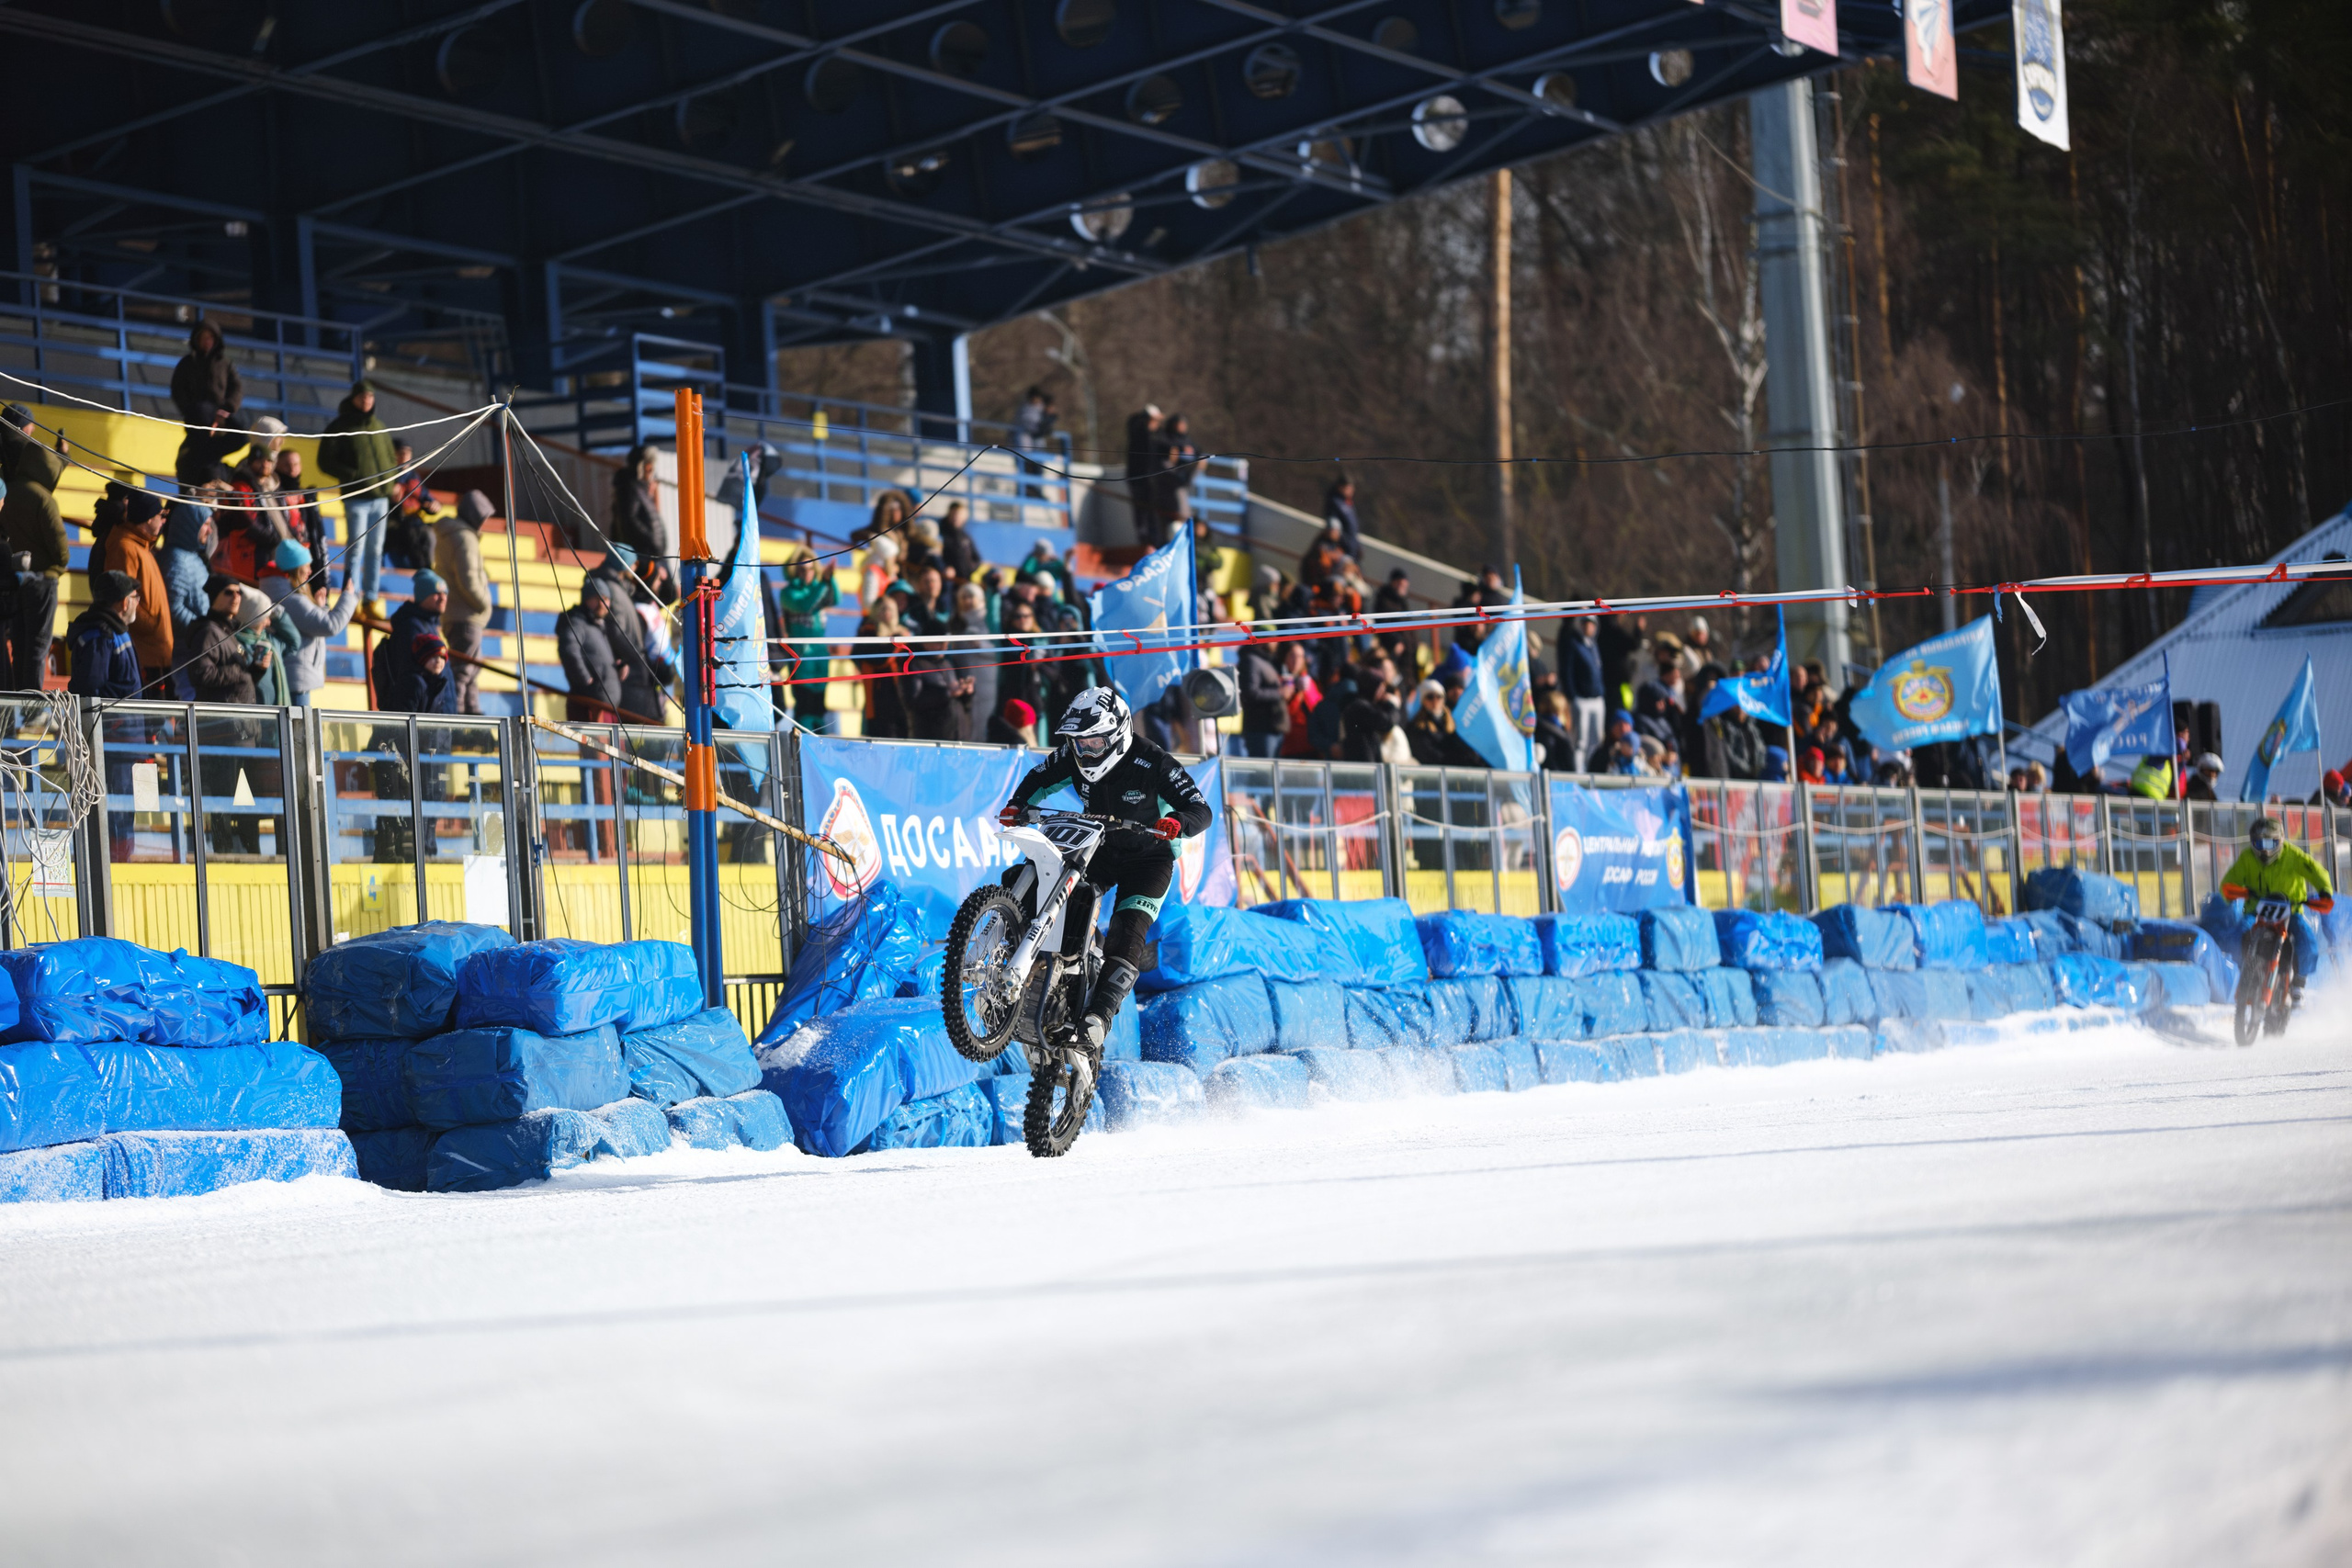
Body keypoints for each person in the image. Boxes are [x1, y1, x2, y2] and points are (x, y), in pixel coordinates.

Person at [998, 688, 1212, 1050]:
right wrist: (1019, 804)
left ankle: (1099, 1018)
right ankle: (1028, 960)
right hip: (1099, 845)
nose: (1085, 752)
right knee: (1049, 885)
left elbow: (1200, 810)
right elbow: (1038, 778)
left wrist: (1177, 820)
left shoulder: (1155, 761)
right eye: (1078, 743)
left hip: (1150, 856)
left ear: (1119, 733)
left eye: (1094, 743)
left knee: (1127, 931)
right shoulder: (1072, 755)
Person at [2218, 817, 2336, 1007]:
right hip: (2256, 910)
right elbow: (2229, 882)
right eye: (2259, 843)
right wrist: (2230, 892)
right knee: (2239, 934)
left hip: (2290, 911)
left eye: (2270, 843)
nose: (2264, 850)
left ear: (2280, 840)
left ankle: (2299, 983)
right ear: (2252, 842)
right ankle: (2246, 972)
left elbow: (2318, 872)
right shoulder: (2247, 858)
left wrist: (2325, 891)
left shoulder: (2293, 855)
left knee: (2307, 942)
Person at [318, 380, 400, 621]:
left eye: (370, 397)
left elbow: (390, 460)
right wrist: (352, 476)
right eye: (363, 396)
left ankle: (370, 600)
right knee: (357, 549)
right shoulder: (340, 427)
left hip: (380, 500)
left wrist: (391, 484)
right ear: (353, 398)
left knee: (375, 550)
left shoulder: (379, 426)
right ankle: (349, 600)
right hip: (357, 500)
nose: (366, 401)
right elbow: (325, 461)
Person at [0, 407, 69, 691]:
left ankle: (18, 709)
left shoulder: (13, 485)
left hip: (17, 577)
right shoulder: (42, 499)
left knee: (20, 647)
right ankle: (31, 708)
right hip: (41, 581)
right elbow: (62, 553)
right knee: (37, 647)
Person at [262, 544, 359, 709]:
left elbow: (311, 624)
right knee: (300, 733)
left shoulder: (284, 596)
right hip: (297, 682)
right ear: (296, 569)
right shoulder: (292, 601)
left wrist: (320, 609)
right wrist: (348, 597)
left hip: (295, 678)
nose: (310, 571)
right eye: (306, 566)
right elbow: (330, 625)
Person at [101, 487, 172, 693]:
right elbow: (121, 597)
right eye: (161, 514)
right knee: (152, 721)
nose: (164, 520)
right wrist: (151, 625)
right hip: (144, 655)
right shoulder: (125, 548)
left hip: (155, 654)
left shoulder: (141, 547)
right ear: (149, 518)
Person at [435, 490, 495, 715]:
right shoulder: (464, 538)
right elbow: (468, 578)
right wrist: (483, 604)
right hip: (466, 615)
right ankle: (459, 719)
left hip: (455, 613)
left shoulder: (452, 534)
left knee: (470, 670)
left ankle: (473, 716)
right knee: (463, 672)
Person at [168, 321, 247, 480]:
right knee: (201, 436)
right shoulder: (187, 363)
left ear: (216, 340)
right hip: (197, 414)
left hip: (221, 412)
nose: (207, 341)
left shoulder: (225, 364)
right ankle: (205, 463)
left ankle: (210, 459)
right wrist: (189, 409)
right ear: (196, 340)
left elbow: (236, 387)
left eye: (210, 337)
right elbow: (177, 389)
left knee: (241, 436)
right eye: (203, 338)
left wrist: (227, 409)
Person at [776, 550, 840, 734]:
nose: (806, 574)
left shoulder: (817, 587)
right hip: (800, 656)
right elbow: (805, 605)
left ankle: (819, 746)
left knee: (819, 706)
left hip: (820, 655)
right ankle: (801, 749)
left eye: (810, 569)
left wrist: (830, 580)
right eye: (802, 569)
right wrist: (822, 585)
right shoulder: (788, 593)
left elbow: (835, 598)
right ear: (794, 571)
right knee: (804, 706)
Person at [65, 571, 143, 699]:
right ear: (125, 602)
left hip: (124, 716)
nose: (137, 603)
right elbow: (91, 690)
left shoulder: (116, 630)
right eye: (135, 597)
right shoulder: (100, 637)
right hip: (112, 718)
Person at [557, 579, 626, 723]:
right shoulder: (576, 622)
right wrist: (586, 680)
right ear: (586, 599)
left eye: (605, 599)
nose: (602, 604)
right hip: (591, 709)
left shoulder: (599, 625)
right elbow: (569, 650)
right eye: (596, 598)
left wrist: (617, 666)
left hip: (608, 709)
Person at [1146, 413, 1197, 550]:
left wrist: (1195, 466)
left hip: (1180, 507)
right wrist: (1172, 461)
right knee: (1165, 538)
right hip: (1165, 505)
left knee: (1181, 538)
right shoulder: (1163, 444)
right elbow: (1167, 474)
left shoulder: (1187, 442)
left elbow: (1187, 480)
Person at [1234, 641, 1286, 758]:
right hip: (1260, 730)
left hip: (1271, 729)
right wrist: (1280, 692)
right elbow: (1250, 693)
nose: (1276, 643)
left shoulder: (1266, 660)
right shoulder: (1251, 660)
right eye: (1274, 638)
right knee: (1263, 774)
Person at [1011, 386, 1057, 498]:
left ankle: (1035, 490)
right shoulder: (1026, 410)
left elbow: (1042, 428)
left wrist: (1049, 417)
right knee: (1026, 469)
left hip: (1036, 448)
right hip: (1024, 447)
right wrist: (1046, 422)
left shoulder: (1039, 408)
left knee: (1038, 469)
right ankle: (1025, 491)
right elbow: (1034, 428)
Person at [1124, 404, 1161, 536]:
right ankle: (1145, 539)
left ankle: (1152, 538)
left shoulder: (1155, 435)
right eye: (1155, 420)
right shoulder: (1140, 432)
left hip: (1151, 480)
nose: (1157, 424)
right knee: (1142, 512)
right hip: (1139, 480)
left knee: (1152, 513)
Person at [401, 634, 461, 716]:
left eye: (442, 657)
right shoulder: (415, 682)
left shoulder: (438, 683)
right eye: (434, 656)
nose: (438, 661)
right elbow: (405, 718)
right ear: (422, 658)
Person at [937, 499, 981, 584]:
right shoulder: (941, 534)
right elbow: (936, 555)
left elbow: (977, 559)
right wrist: (945, 568)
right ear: (949, 514)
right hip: (946, 581)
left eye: (959, 514)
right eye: (954, 514)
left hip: (964, 581)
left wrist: (968, 568)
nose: (956, 517)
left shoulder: (966, 537)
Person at [1322, 474, 1363, 561]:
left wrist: (1357, 545)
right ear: (1340, 487)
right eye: (1349, 487)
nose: (1352, 490)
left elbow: (1352, 529)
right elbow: (1333, 529)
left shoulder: (1348, 503)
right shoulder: (1335, 503)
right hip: (1341, 551)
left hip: (1352, 551)